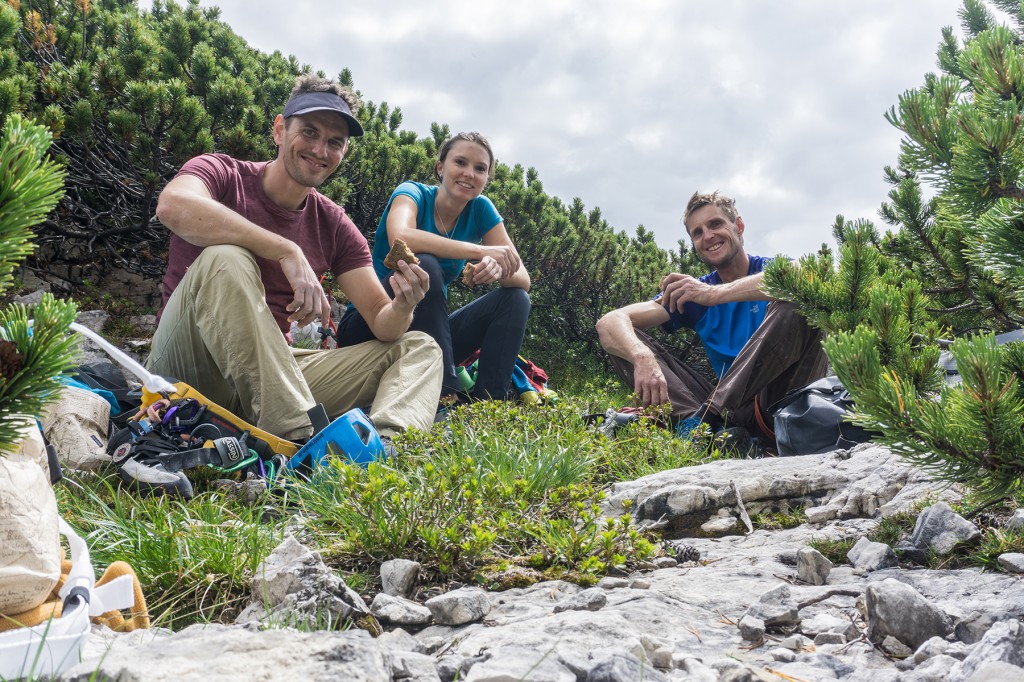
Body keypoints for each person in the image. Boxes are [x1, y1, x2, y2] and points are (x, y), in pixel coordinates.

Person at [146, 74, 443, 444]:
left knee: (421, 347)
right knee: (227, 257)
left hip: (270, 378)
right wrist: (285, 249)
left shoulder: (334, 224)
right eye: (310, 132)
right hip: (186, 370)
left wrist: (403, 305)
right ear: (280, 130)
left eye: (335, 142)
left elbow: (383, 324)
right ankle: (299, 440)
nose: (321, 150)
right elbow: (172, 206)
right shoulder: (222, 173)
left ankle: (385, 456)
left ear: (343, 154)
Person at [596, 190, 828, 443]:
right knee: (625, 339)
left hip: (784, 401)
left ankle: (705, 421)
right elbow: (610, 321)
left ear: (738, 225)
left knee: (794, 300)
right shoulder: (693, 295)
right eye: (697, 232)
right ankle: (698, 431)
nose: (708, 236)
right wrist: (643, 358)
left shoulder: (762, 272)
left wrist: (714, 294)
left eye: (715, 224)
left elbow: (803, 275)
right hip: (732, 413)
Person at [336, 132, 531, 404]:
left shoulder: (481, 209)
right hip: (370, 324)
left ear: (487, 179)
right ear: (440, 167)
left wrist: (498, 269)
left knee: (516, 299)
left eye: (480, 169)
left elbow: (523, 278)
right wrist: (480, 250)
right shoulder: (412, 193)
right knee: (424, 263)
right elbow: (401, 236)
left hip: (427, 336)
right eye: (460, 162)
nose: (469, 173)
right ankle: (443, 393)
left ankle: (489, 404)